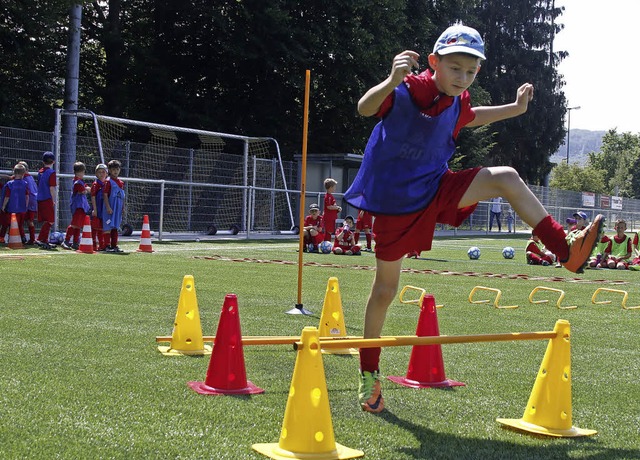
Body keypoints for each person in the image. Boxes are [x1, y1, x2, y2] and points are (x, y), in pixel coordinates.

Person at [342, 24, 604, 413]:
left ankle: (566, 252)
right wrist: (391, 78)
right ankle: (369, 375)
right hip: (397, 204)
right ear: (434, 62)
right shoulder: (405, 88)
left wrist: (515, 110)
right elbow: (365, 107)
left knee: (506, 178)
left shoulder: (458, 102)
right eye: (455, 68)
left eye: (470, 72)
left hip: (436, 187)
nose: (462, 78)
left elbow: (471, 115)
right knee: (384, 291)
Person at [61, 162, 91, 250]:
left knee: (78, 225)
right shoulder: (77, 182)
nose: (83, 174)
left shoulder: (80, 182)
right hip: (78, 206)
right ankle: (66, 240)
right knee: (74, 224)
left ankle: (75, 242)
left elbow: (87, 188)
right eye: (82, 172)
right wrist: (86, 189)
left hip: (82, 207)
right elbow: (84, 191)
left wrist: (86, 189)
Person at [1, 163, 29, 243]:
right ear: (23, 174)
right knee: (19, 224)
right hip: (22, 208)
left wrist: (3, 206)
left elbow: (7, 196)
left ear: (14, 172)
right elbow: (27, 196)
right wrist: (26, 206)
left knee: (9, 223)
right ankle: (22, 237)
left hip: (11, 208)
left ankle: (6, 237)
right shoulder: (25, 184)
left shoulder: (10, 184)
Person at [102, 159, 125, 253]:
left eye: (117, 169)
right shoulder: (108, 182)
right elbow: (105, 195)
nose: (115, 171)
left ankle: (114, 245)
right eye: (113, 169)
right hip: (110, 209)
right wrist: (107, 207)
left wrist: (123, 207)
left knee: (115, 226)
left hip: (117, 209)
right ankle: (107, 245)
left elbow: (122, 196)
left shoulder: (121, 183)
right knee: (107, 225)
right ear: (110, 171)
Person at [36, 151, 57, 249]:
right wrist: (54, 199)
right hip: (47, 198)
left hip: (40, 198)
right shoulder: (51, 173)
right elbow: (52, 188)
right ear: (53, 161)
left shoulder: (40, 171)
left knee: (46, 220)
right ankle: (40, 239)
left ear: (43, 161)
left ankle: (44, 240)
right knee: (50, 220)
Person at [19, 161, 38, 244]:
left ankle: (26, 238)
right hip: (33, 200)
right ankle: (31, 238)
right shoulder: (30, 177)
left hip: (28, 202)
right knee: (29, 221)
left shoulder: (24, 179)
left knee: (22, 221)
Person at [91, 164, 108, 251]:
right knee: (94, 228)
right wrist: (95, 209)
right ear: (96, 174)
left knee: (102, 228)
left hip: (104, 210)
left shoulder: (107, 184)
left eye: (103, 172)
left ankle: (102, 245)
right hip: (98, 209)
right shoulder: (95, 184)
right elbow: (93, 197)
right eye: (99, 172)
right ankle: (93, 245)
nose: (101, 174)